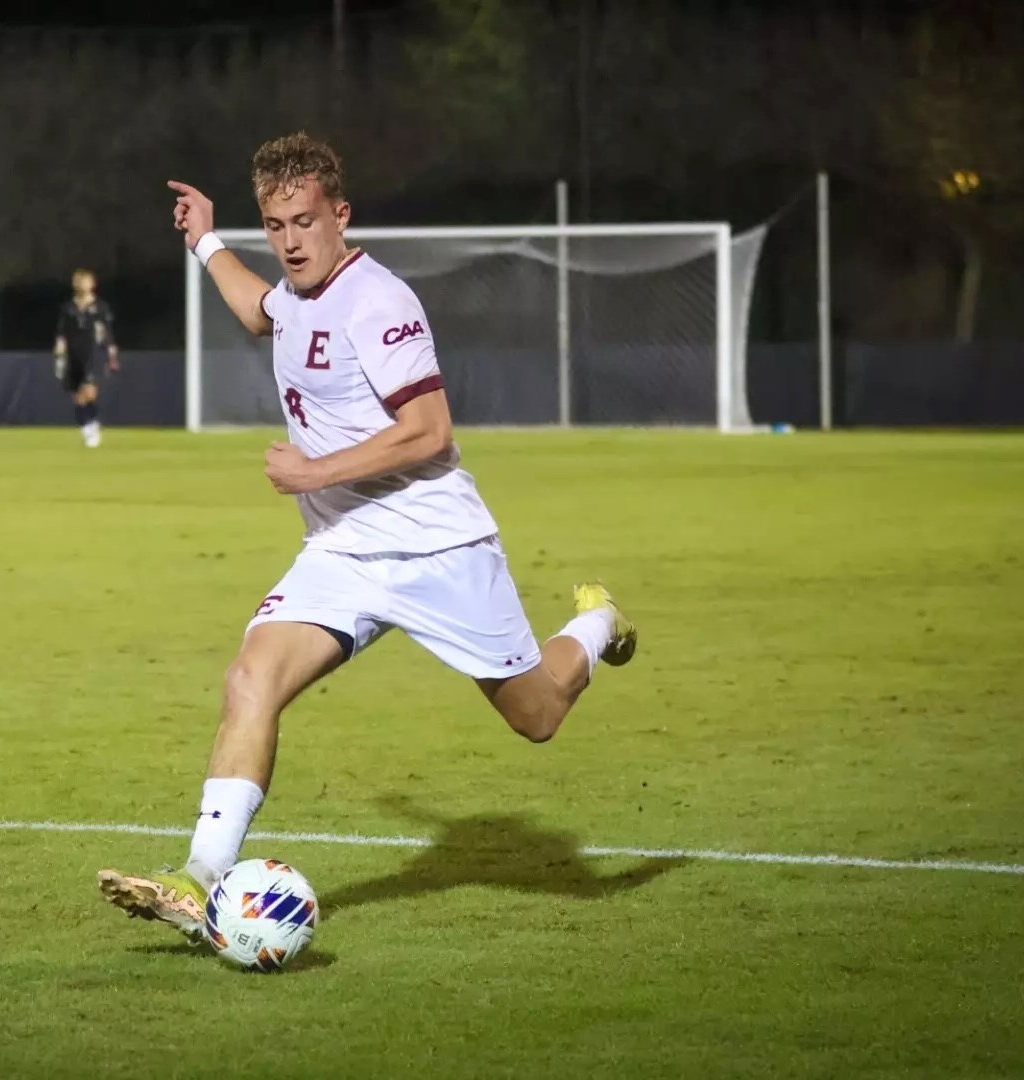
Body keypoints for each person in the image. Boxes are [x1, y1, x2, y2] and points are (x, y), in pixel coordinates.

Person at [96, 133, 638, 938]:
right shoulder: (294, 293)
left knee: (538, 715)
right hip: (343, 550)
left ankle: (596, 622)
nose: (289, 241)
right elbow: (257, 309)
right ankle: (198, 878)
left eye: (305, 222)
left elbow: (429, 431)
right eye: (275, 225)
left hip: (436, 545)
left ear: (339, 215)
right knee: (251, 678)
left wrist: (313, 473)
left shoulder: (379, 301)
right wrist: (207, 237)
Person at [53, 269, 119, 447]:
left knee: (89, 392)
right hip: (74, 355)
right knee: (78, 398)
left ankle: (91, 429)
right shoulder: (68, 309)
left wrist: (111, 353)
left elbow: (108, 333)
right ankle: (88, 427)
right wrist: (59, 354)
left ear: (92, 284)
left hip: (93, 354)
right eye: (79, 281)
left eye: (85, 281)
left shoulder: (100, 308)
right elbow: (61, 333)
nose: (82, 284)